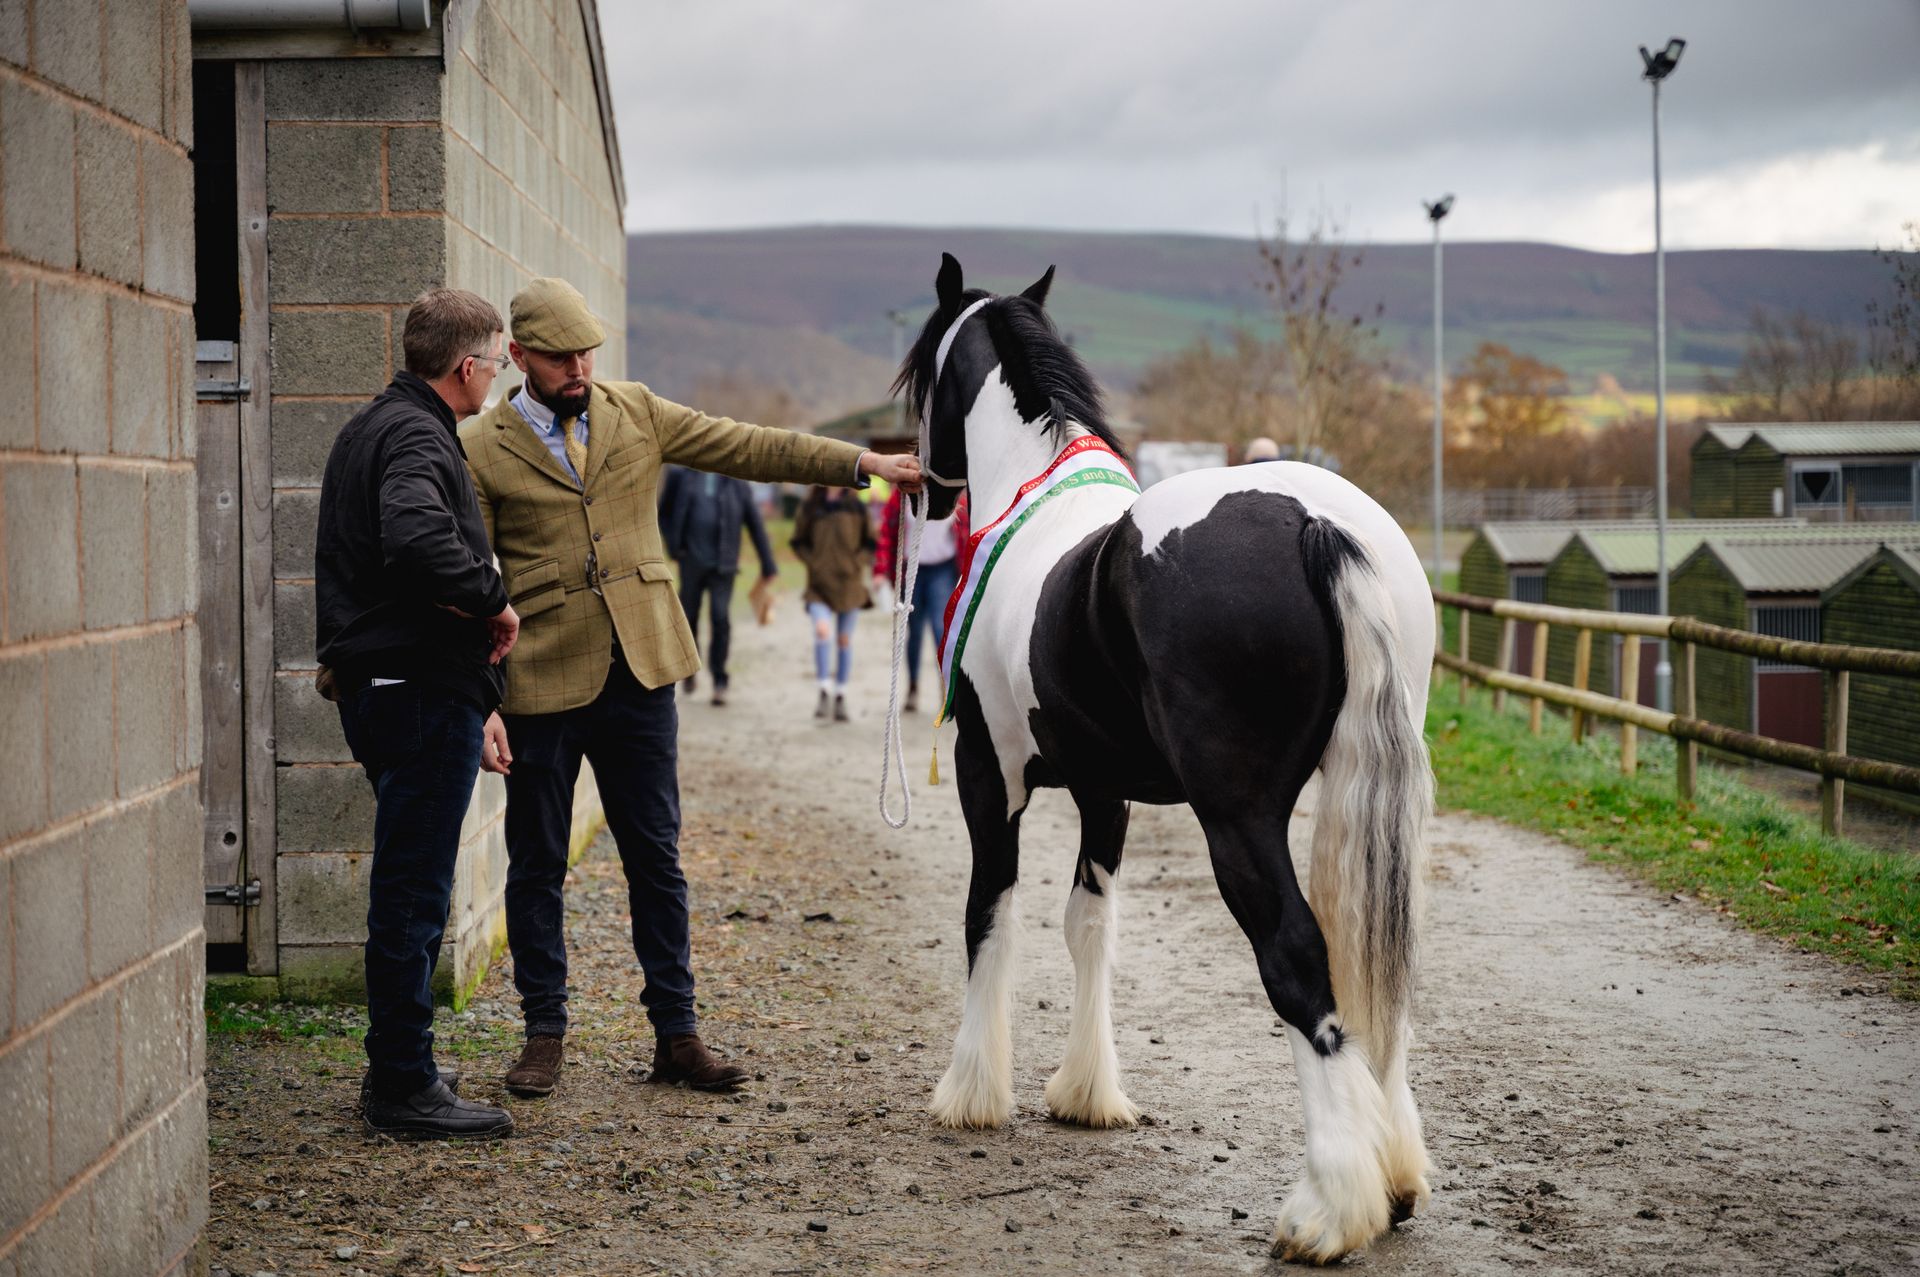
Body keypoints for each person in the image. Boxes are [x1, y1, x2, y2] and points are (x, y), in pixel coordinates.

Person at [460, 278, 922, 1098]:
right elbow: (471, 580)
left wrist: (859, 463)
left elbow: (745, 444)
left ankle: (677, 1034)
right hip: (538, 679)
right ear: (519, 357)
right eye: (562, 355)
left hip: (641, 669)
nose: (580, 366)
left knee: (657, 859)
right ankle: (544, 1034)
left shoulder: (634, 408)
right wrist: (483, 697)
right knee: (535, 863)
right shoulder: (481, 446)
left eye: (587, 351)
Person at [314, 288, 522, 1139]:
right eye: (499, 363)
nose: (501, 377)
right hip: (410, 695)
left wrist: (480, 698)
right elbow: (414, 536)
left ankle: (401, 1068)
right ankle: (402, 1086)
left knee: (409, 889)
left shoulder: (378, 424)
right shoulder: (412, 435)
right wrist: (494, 600)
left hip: (411, 691)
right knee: (411, 896)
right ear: (466, 367)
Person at [658, 466, 777, 706]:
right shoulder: (681, 475)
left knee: (720, 618)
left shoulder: (736, 482)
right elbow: (663, 513)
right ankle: (690, 668)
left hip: (724, 564)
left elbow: (754, 523)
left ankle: (720, 680)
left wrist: (768, 564)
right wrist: (675, 547)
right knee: (688, 616)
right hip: (691, 561)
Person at [874, 486, 969, 714]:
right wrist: (880, 570)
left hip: (942, 569)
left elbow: (967, 535)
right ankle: (914, 686)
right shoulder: (903, 495)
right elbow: (887, 533)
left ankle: (946, 688)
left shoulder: (956, 494)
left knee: (941, 629)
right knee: (914, 633)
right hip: (913, 569)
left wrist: (968, 575)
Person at [791, 486, 877, 722]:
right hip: (819, 587)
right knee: (822, 632)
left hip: (849, 585)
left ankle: (841, 694)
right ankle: (824, 689)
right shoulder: (812, 506)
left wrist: (855, 563)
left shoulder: (856, 506)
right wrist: (815, 563)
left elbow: (870, 542)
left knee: (844, 640)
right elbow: (798, 541)